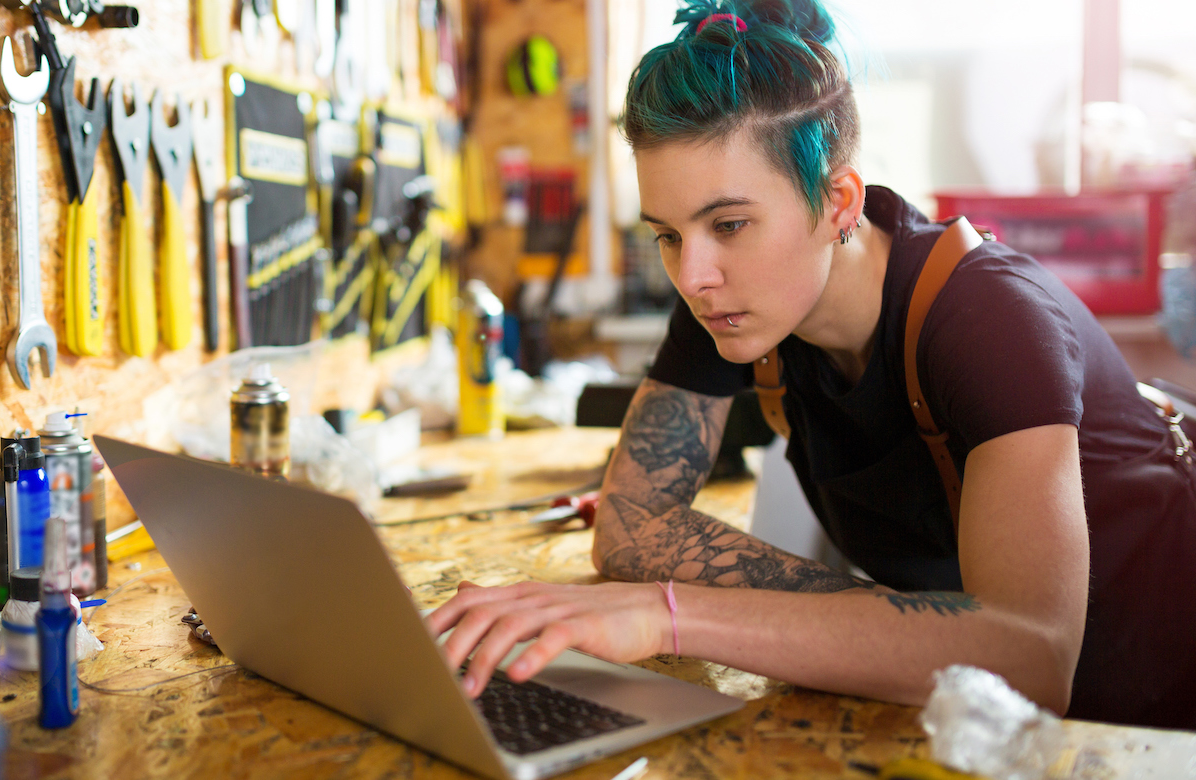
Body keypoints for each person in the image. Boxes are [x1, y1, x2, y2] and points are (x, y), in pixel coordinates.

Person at [427, 0, 1196, 728]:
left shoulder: (989, 318)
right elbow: (629, 526)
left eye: (729, 223)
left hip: (1146, 711)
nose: (691, 275)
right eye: (666, 234)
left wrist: (668, 612)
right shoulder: (733, 301)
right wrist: (883, 626)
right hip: (970, 718)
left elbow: (1033, 655)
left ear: (837, 204)